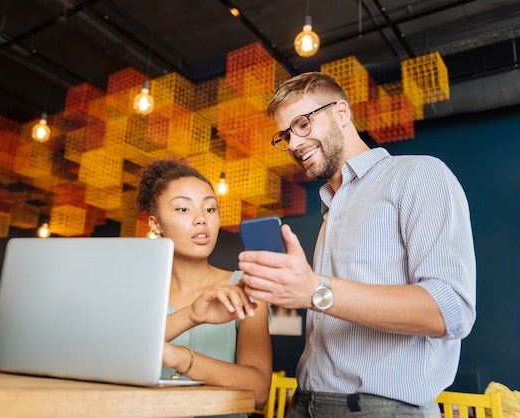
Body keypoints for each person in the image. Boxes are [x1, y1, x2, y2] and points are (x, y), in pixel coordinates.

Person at [238, 72, 476, 417]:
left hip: (380, 410)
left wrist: (314, 290)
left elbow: (450, 308)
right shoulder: (330, 209)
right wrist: (276, 294)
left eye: (302, 124)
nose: (292, 144)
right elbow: (319, 313)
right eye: (285, 135)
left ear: (342, 113)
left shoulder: (419, 175)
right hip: (305, 403)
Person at [135, 157, 272, 416]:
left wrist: (178, 358)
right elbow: (117, 354)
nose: (201, 219)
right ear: (155, 224)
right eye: (183, 209)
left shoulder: (246, 287)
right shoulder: (139, 290)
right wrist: (191, 316)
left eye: (210, 209)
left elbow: (259, 391)